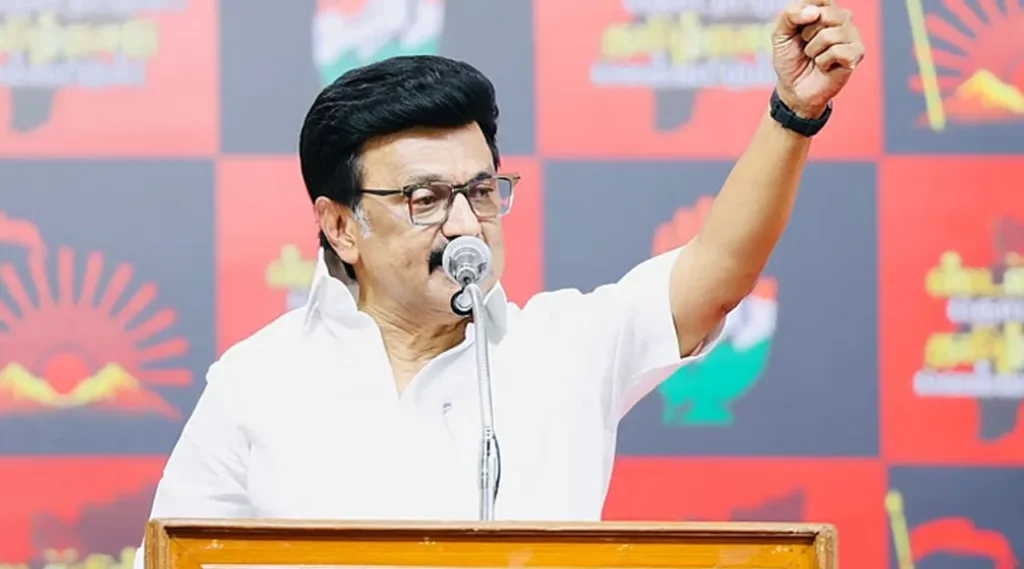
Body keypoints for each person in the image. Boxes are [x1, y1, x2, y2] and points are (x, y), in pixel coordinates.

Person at [133, 0, 863, 563]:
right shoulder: (257, 381)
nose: (465, 226)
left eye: (481, 192)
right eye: (425, 199)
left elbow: (718, 269)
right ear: (341, 226)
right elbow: (169, 559)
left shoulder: (564, 347)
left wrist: (793, 113)